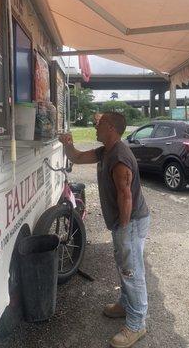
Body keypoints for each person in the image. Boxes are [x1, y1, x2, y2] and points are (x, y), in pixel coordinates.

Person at [59, 112, 150, 348]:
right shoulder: (105, 151)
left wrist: (124, 230)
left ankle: (137, 324)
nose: (95, 126)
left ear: (110, 127)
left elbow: (125, 196)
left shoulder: (119, 157)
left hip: (130, 221)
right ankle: (125, 304)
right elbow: (77, 157)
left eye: (99, 124)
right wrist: (67, 144)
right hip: (123, 221)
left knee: (131, 270)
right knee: (123, 264)